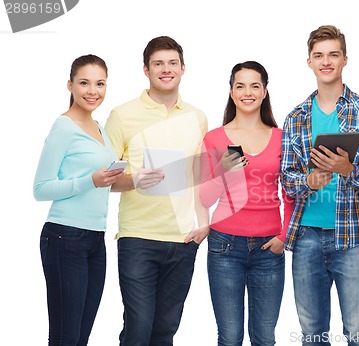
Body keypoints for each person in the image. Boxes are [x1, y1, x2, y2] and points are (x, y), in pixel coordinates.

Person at [280, 25, 359, 345]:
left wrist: (347, 169)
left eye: (333, 55)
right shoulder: (295, 117)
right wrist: (309, 181)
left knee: (358, 331)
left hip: (353, 237)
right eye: (319, 55)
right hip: (306, 237)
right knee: (312, 334)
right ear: (309, 62)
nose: (326, 61)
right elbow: (287, 178)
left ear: (344, 60)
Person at [104, 36, 209, 346]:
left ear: (183, 68)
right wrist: (136, 179)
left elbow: (200, 176)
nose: (166, 69)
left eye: (172, 63)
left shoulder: (197, 117)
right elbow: (105, 178)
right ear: (146, 70)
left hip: (183, 239)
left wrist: (204, 222)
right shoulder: (122, 115)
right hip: (138, 237)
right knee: (138, 327)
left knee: (165, 331)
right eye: (159, 64)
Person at [200, 61, 294, 346]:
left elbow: (290, 194)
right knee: (229, 338)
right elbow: (205, 198)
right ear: (231, 92)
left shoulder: (282, 138)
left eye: (255, 86)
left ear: (265, 92)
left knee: (264, 338)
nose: (247, 92)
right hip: (225, 246)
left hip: (269, 248)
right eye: (240, 86)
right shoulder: (215, 138)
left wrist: (283, 237)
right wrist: (224, 172)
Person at [33, 54, 123, 345]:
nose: (92, 91)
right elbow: (41, 188)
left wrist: (133, 179)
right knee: (65, 336)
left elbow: (103, 183)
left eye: (100, 83)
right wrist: (89, 181)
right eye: (84, 83)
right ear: (70, 85)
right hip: (64, 237)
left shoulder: (99, 129)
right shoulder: (63, 127)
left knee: (81, 337)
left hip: (96, 239)